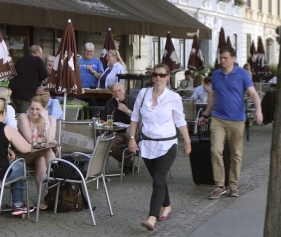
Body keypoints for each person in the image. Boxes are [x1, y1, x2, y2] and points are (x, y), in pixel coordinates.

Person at [128, 64, 192, 231]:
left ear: (168, 77)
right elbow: (135, 117)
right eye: (156, 74)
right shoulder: (143, 94)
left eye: (162, 75)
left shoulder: (174, 98)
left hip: (167, 144)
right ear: (152, 76)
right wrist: (132, 138)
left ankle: (151, 218)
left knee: (158, 180)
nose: (158, 77)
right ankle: (167, 206)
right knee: (159, 178)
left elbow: (180, 121)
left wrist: (188, 142)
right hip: (147, 144)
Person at [196, 47, 263, 199]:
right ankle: (220, 185)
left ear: (233, 58)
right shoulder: (216, 75)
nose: (222, 60)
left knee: (236, 154)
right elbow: (213, 96)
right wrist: (205, 115)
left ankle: (233, 186)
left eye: (225, 58)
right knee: (215, 150)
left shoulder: (242, 74)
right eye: (221, 58)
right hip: (218, 118)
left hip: (237, 120)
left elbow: (253, 93)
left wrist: (259, 110)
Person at [17, 95, 57, 210]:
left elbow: (49, 140)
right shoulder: (23, 117)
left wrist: (46, 120)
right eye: (32, 108)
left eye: (38, 109)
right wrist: (49, 141)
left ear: (45, 109)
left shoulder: (51, 119)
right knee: (47, 150)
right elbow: (30, 140)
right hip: (25, 155)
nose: (34, 112)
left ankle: (41, 199)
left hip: (40, 156)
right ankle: (55, 171)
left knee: (41, 160)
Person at [9, 45, 49, 112]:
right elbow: (46, 76)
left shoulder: (21, 59)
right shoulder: (37, 59)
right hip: (27, 94)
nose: (42, 55)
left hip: (13, 92)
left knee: (14, 115)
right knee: (24, 115)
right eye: (41, 53)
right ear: (37, 53)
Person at [104, 82, 134, 159]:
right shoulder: (109, 103)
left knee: (130, 146)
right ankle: (126, 163)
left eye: (119, 90)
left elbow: (139, 119)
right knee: (108, 146)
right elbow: (106, 120)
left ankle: (126, 166)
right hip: (117, 132)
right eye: (114, 91)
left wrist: (127, 110)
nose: (117, 93)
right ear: (111, 93)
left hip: (131, 132)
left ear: (124, 90)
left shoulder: (133, 101)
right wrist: (107, 123)